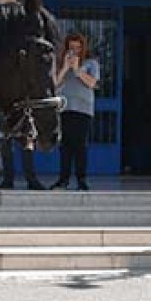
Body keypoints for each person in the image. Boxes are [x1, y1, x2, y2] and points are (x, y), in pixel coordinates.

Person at [51, 32, 100, 191]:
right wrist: (65, 68)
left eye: (78, 48)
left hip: (83, 109)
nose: (74, 51)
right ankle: (63, 179)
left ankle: (81, 179)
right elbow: (55, 85)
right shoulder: (60, 63)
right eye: (71, 47)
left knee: (80, 145)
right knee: (65, 146)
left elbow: (92, 83)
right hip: (64, 107)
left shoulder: (91, 63)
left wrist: (77, 69)